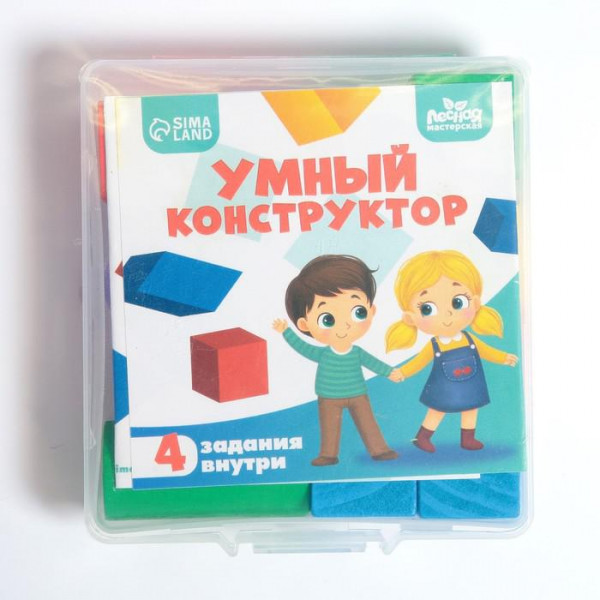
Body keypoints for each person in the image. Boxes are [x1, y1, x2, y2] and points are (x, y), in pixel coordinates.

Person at [273, 254, 402, 466]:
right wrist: (286, 331)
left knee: (368, 423)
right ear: (304, 325)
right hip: (329, 396)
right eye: (328, 319)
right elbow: (302, 347)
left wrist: (389, 372)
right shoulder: (323, 354)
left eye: (358, 312)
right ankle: (328, 454)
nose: (345, 325)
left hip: (358, 394)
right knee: (329, 427)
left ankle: (380, 450)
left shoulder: (357, 352)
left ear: (371, 311)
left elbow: (372, 362)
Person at [386, 250, 518, 452]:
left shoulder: (469, 339)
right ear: (410, 318)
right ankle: (422, 437)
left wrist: (503, 358)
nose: (447, 314)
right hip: (443, 388)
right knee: (437, 410)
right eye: (427, 308)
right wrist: (403, 372)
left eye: (458, 302)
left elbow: (487, 351)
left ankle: (468, 439)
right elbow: (418, 362)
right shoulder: (435, 345)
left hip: (470, 385)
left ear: (475, 303)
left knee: (471, 408)